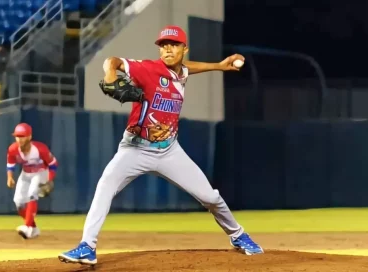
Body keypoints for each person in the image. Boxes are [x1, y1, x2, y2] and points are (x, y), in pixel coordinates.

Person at [58, 25, 263, 266]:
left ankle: (238, 235)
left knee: (211, 197)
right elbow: (111, 61)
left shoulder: (181, 73)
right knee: (105, 186)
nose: (167, 48)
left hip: (169, 151)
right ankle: (87, 247)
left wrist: (219, 66)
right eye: (163, 44)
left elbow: (187, 69)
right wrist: (111, 76)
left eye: (173, 44)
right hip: (134, 149)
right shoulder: (148, 68)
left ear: (184, 49)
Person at [7, 123, 57, 239]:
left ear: (29, 137)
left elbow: (53, 164)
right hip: (26, 174)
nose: (19, 139)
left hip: (41, 172)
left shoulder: (40, 149)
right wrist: (9, 177)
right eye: (17, 136)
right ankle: (33, 228)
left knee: (32, 195)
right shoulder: (13, 149)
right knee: (18, 202)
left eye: (22, 136)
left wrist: (49, 179)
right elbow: (10, 164)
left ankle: (27, 226)